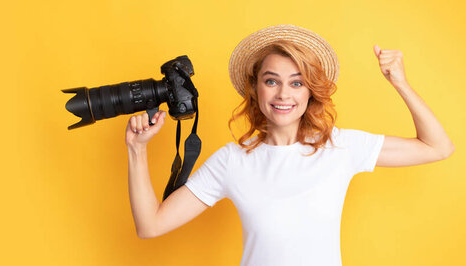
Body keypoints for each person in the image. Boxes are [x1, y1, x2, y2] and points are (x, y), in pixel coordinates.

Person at [125, 24, 454, 266]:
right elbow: (151, 225)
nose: (284, 94)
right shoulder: (232, 161)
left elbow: (437, 147)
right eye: (272, 81)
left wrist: (400, 83)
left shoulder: (340, 147)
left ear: (310, 91)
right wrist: (137, 150)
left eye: (297, 83)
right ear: (255, 88)